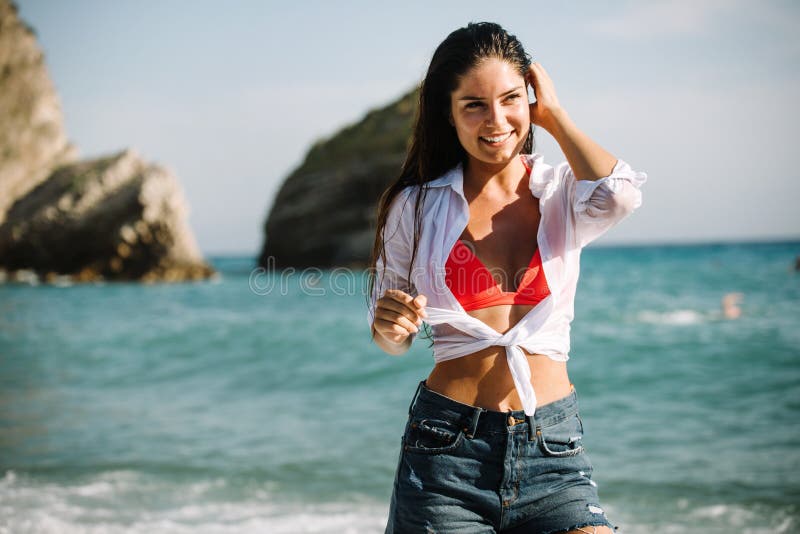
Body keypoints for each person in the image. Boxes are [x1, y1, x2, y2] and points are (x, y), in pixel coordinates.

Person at [366, 22, 647, 533]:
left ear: (530, 98)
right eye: (473, 104)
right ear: (448, 116)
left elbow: (622, 195)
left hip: (553, 448)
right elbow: (389, 338)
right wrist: (390, 328)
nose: (496, 120)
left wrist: (556, 116)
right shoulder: (416, 206)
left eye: (511, 98)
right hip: (446, 450)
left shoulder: (562, 192)